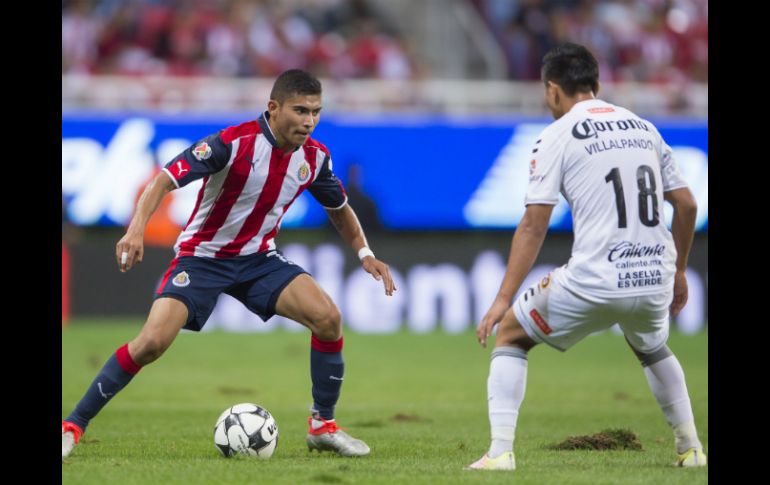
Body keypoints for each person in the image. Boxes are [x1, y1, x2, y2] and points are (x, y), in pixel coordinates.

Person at [62, 69, 396, 459]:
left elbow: (339, 209)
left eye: (316, 112)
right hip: (202, 258)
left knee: (328, 318)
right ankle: (72, 425)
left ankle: (323, 426)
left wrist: (365, 254)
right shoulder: (232, 143)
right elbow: (164, 180)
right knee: (151, 343)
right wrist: (136, 229)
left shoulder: (314, 158)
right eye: (300, 110)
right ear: (273, 108)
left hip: (258, 259)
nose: (308, 121)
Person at [467, 43, 706, 470]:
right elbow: (687, 205)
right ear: (596, 84)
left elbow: (534, 224)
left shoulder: (556, 135)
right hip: (654, 275)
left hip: (597, 278)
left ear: (553, 90)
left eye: (547, 92)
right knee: (652, 348)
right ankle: (691, 449)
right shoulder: (643, 127)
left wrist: (504, 298)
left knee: (511, 335)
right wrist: (681, 269)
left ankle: (500, 452)